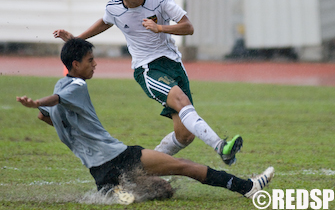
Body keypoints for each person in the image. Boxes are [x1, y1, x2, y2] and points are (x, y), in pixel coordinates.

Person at [16, 38, 274, 205]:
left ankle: (115, 191)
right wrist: (38, 101)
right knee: (184, 165)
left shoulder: (61, 84)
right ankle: (247, 187)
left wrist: (48, 113)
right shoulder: (74, 86)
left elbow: (45, 115)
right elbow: (53, 101)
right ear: (76, 64)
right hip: (118, 157)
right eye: (90, 61)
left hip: (98, 170)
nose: (95, 64)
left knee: (164, 190)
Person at [53, 0, 242, 165]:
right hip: (148, 68)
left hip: (174, 65)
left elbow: (188, 27)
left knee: (185, 135)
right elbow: (106, 21)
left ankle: (139, 170)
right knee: (181, 101)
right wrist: (77, 40)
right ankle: (220, 147)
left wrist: (160, 28)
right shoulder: (114, 8)